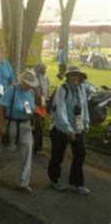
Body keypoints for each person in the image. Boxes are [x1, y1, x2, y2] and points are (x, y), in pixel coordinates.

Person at [0, 70, 38, 194]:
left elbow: (31, 108)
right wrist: (3, 123)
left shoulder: (31, 92)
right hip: (12, 123)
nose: (29, 86)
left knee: (27, 152)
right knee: (9, 152)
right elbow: (1, 106)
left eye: (30, 84)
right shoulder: (12, 90)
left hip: (26, 124)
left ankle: (23, 183)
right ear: (22, 81)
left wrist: (32, 116)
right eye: (27, 83)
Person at [48, 66, 91, 195]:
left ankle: (77, 182)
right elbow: (61, 110)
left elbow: (84, 107)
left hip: (78, 128)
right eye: (72, 75)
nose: (75, 77)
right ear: (68, 76)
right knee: (57, 155)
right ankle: (54, 180)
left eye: (77, 75)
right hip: (61, 128)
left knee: (81, 153)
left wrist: (86, 123)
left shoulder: (81, 88)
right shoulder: (62, 89)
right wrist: (68, 129)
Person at [33, 62, 49, 155]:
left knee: (40, 126)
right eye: (42, 68)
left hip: (42, 106)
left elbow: (46, 92)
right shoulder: (34, 79)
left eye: (45, 68)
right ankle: (38, 148)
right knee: (38, 127)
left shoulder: (46, 79)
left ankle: (36, 145)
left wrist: (46, 100)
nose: (44, 70)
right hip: (34, 106)